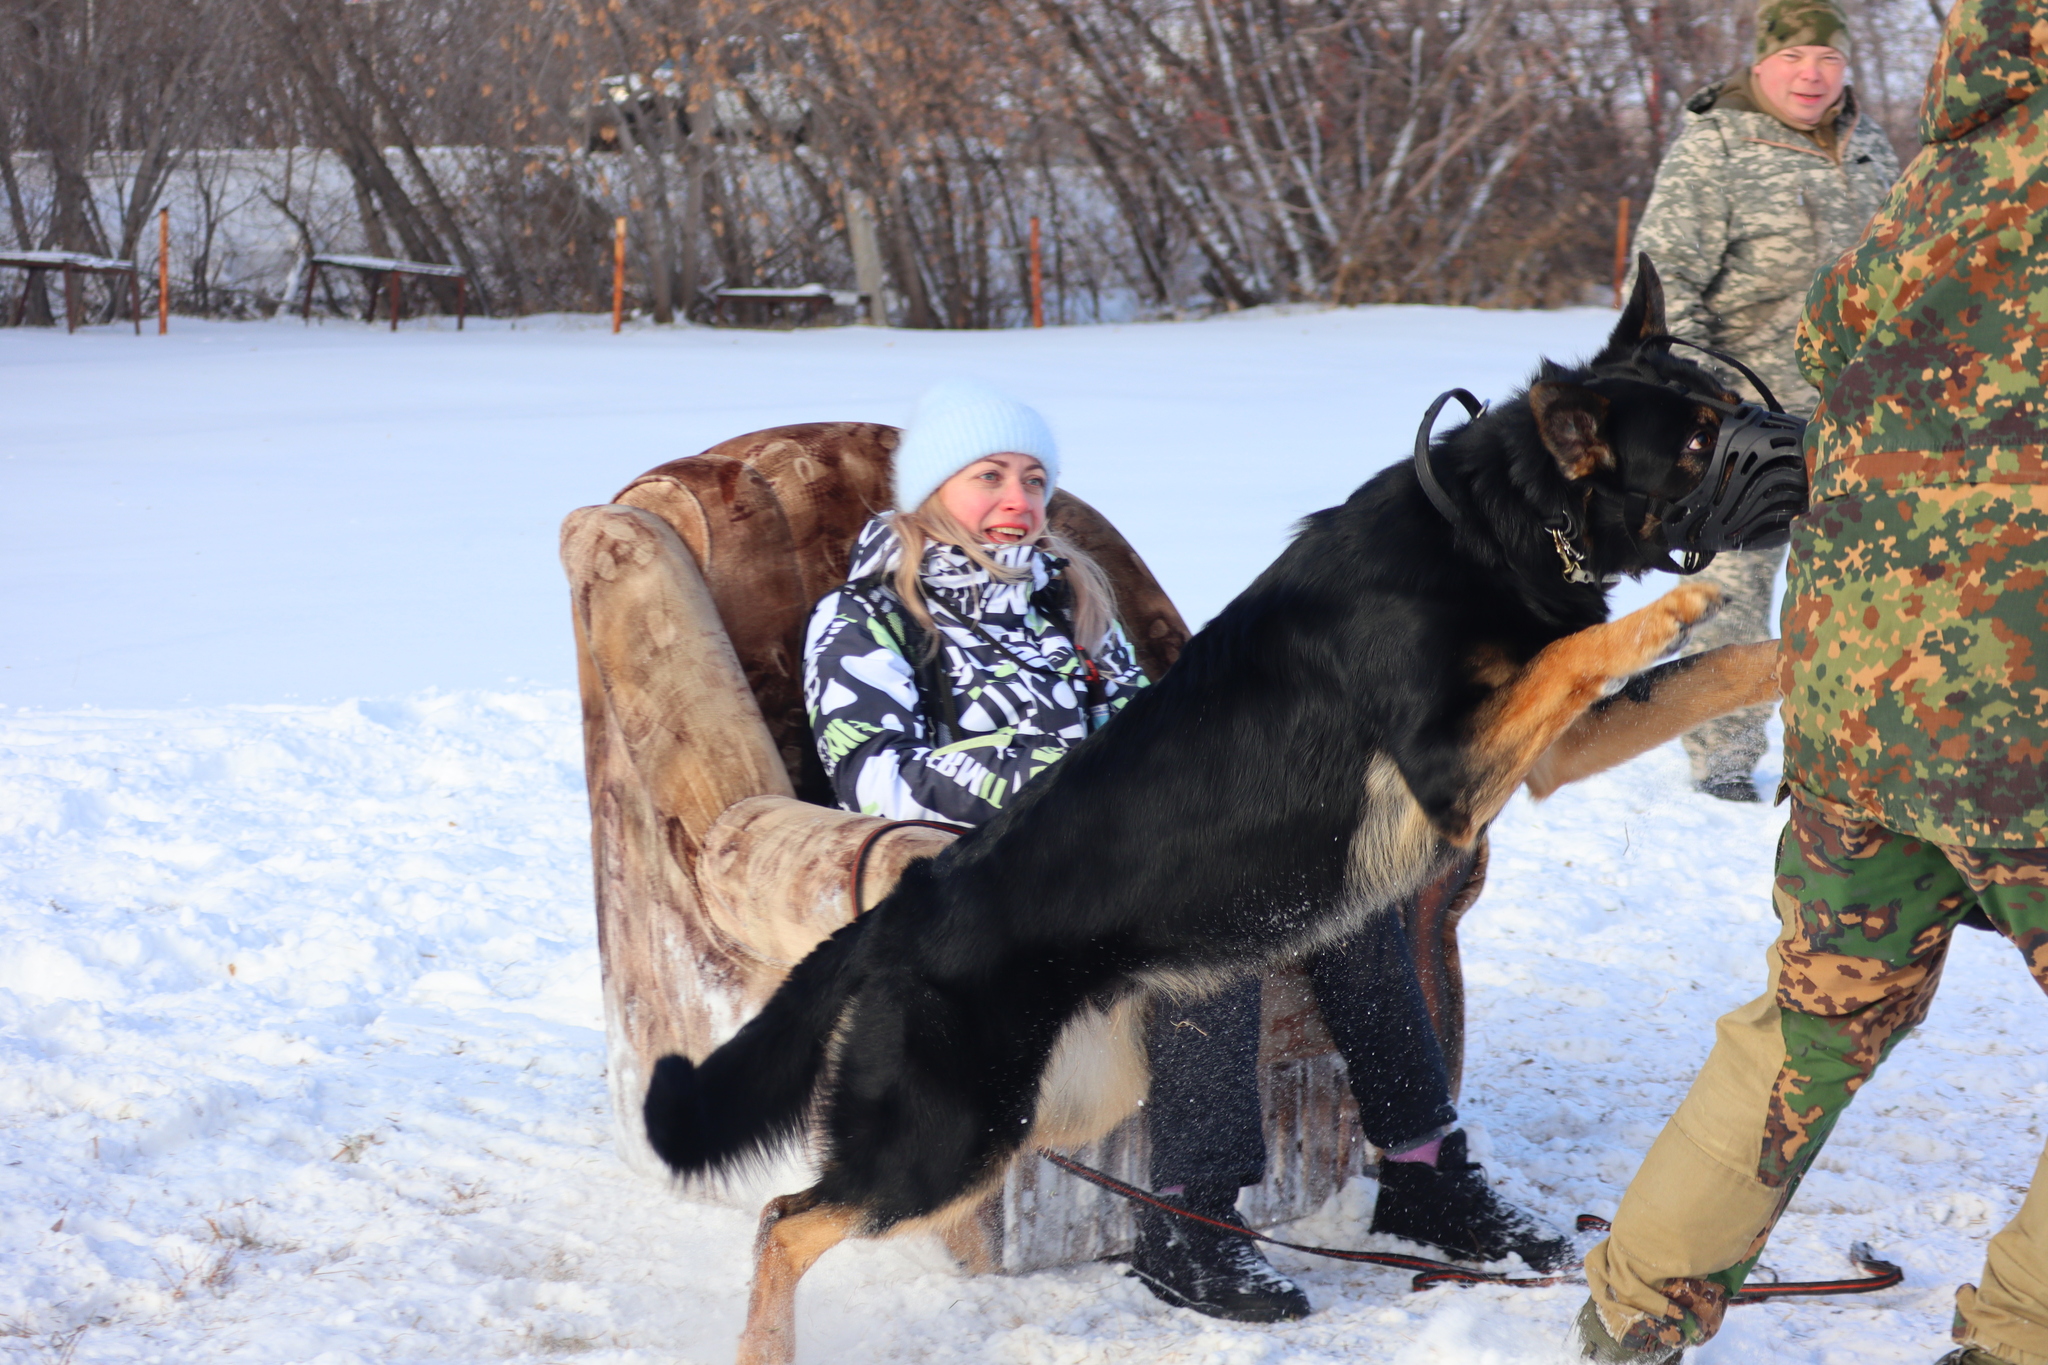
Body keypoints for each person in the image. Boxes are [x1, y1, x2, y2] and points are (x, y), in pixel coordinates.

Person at [803, 379, 1568, 1326]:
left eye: (1035, 479)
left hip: (1124, 844)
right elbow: (875, 775)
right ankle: (1189, 1222)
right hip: (1006, 879)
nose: (1018, 499)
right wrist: (1065, 777)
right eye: (988, 475)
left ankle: (1423, 1173)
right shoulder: (866, 616)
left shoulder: (1072, 598)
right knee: (1217, 925)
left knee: (1350, 885)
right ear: (928, 492)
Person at [1575, 3, 2048, 1360]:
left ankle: (1633, 1310)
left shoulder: (1925, 193)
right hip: (2027, 716)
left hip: (1865, 699)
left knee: (1810, 1014)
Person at [1630, 0, 1898, 801]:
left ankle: (1853, 757)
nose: (1811, 73)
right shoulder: (1716, 147)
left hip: (1860, 417)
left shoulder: (1872, 147)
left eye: (1828, 58)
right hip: (1744, 421)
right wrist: (1706, 403)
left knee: (1865, 591)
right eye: (1794, 58)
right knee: (1731, 592)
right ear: (1759, 67)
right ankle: (1720, 761)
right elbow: (1661, 281)